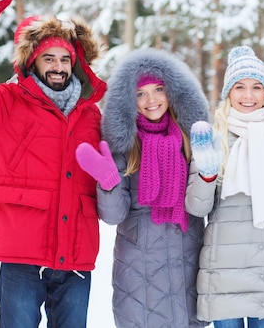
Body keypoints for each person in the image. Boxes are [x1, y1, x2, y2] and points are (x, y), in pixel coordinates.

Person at [0, 0, 107, 328]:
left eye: (64, 59)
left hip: (76, 257)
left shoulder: (91, 115)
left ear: (75, 63)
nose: (58, 67)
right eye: (48, 58)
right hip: (22, 254)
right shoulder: (7, 103)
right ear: (32, 61)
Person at [75, 48, 210, 328]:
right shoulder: (125, 146)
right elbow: (114, 216)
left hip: (188, 261)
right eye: (140, 93)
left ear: (172, 91)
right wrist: (108, 183)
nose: (151, 99)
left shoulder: (190, 140)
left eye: (158, 89)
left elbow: (202, 203)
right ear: (129, 100)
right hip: (139, 271)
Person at [184, 46, 264, 328]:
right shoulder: (214, 137)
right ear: (228, 93)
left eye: (256, 87)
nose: (248, 96)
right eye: (240, 87)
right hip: (224, 270)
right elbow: (196, 207)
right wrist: (207, 175)